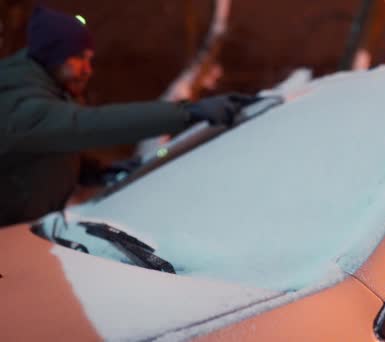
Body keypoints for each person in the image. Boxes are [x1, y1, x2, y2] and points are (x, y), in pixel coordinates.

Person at [0, 6, 257, 227]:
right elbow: (86, 125)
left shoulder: (40, 92)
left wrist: (90, 171)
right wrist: (187, 112)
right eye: (79, 59)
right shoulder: (20, 104)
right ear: (51, 55)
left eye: (89, 59)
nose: (88, 70)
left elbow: (37, 149)